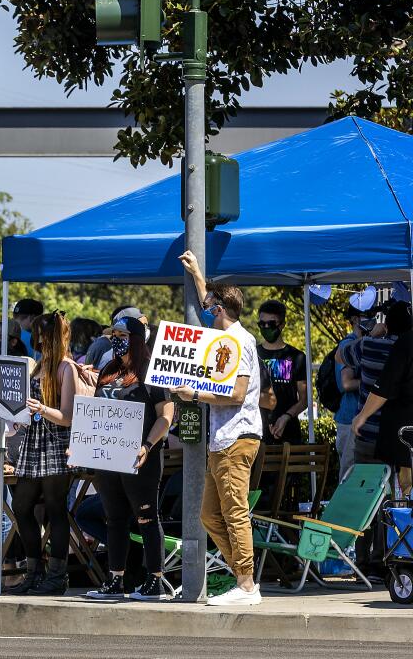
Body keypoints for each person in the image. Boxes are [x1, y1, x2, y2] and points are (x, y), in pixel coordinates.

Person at [173, 250, 263, 607]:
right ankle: (243, 575)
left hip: (236, 438)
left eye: (209, 306)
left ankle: (246, 585)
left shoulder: (239, 342)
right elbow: (210, 294)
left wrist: (194, 393)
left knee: (233, 511)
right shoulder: (228, 337)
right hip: (222, 440)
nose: (204, 308)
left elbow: (238, 394)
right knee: (210, 514)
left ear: (220, 310)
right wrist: (198, 274)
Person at [85, 317, 175, 601]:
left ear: (136, 338)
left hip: (140, 459)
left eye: (121, 334)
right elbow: (95, 413)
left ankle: (155, 579)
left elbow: (166, 416)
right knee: (114, 519)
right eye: (113, 334)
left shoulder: (151, 372)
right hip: (108, 458)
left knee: (147, 518)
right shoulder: (108, 370)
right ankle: (116, 579)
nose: (115, 339)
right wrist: (83, 445)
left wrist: (147, 445)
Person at [10, 310, 83, 596]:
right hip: (33, 441)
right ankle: (34, 571)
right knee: (21, 506)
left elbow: (68, 416)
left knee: (55, 508)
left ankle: (56, 574)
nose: (38, 339)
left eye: (43, 334)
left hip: (54, 441)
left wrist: (41, 409)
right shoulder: (38, 366)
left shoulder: (66, 368)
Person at [353, 301, 413, 494]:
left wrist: (362, 416)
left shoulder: (374, 345)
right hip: (398, 435)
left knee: (380, 493)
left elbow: (385, 387)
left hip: (392, 434)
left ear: (386, 324)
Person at [256, 300, 308, 446]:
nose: (266, 327)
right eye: (262, 324)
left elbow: (304, 399)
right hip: (257, 433)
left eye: (271, 324)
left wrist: (286, 417)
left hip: (289, 432)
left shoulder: (297, 357)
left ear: (282, 325)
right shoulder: (252, 354)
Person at [334, 305, 373, 481]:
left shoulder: (371, 341)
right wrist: (376, 382)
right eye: (368, 315)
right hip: (349, 418)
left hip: (365, 419)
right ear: (355, 319)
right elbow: (346, 383)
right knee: (348, 476)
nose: (373, 318)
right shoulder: (347, 344)